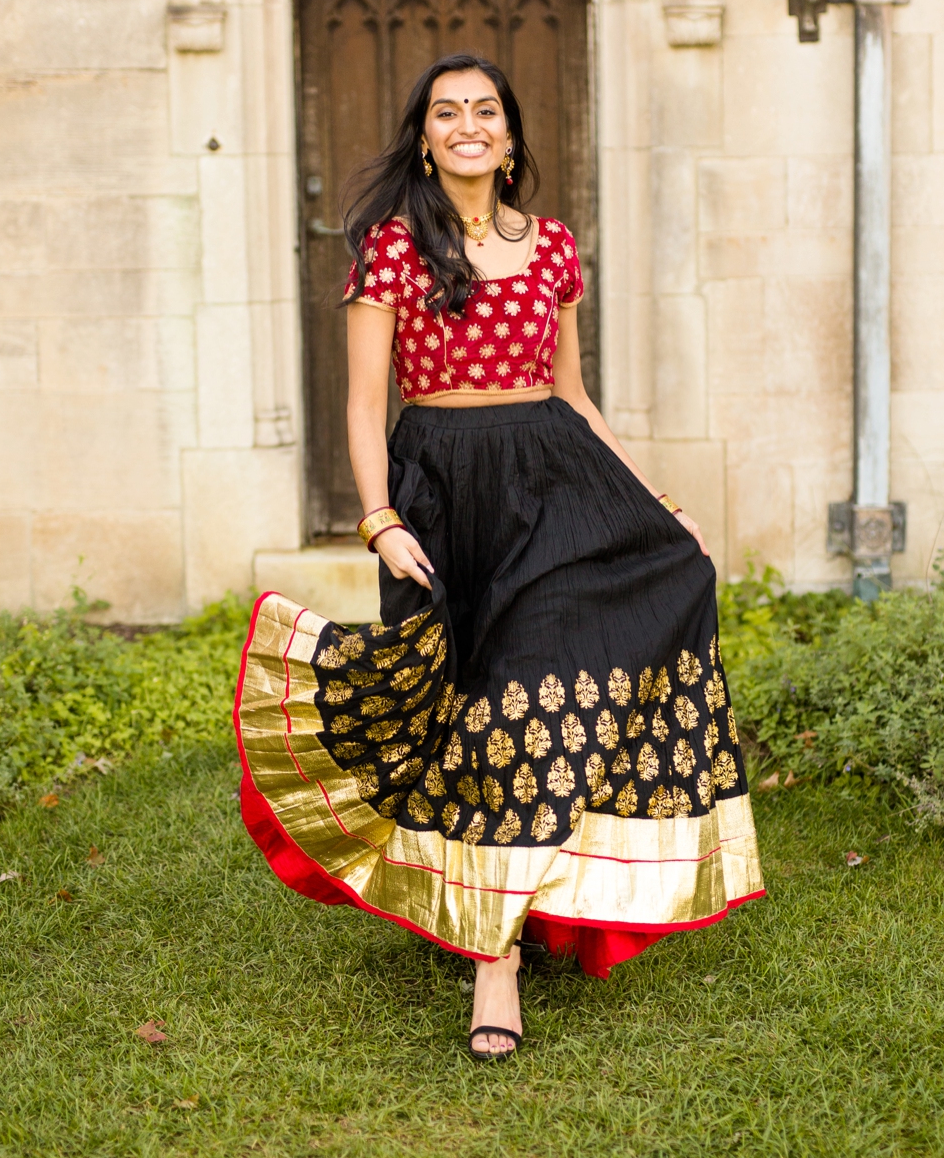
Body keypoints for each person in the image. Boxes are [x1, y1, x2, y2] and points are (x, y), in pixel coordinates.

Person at [235, 53, 762, 1060]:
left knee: (530, 691)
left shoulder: (556, 245)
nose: (468, 124)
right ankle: (496, 897)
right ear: (425, 137)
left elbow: (570, 390)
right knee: (465, 705)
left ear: (511, 138)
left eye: (486, 110)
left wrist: (656, 503)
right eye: (446, 112)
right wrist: (379, 517)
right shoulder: (387, 248)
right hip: (440, 484)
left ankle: (498, 962)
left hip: (555, 480)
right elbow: (360, 402)